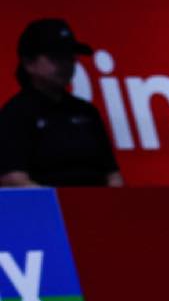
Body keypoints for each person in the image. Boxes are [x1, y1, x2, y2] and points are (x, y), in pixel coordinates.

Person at [0, 18, 122, 187]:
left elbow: (113, 175)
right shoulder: (15, 114)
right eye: (56, 57)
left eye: (70, 57)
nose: (66, 65)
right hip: (45, 202)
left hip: (96, 202)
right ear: (29, 64)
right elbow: (14, 179)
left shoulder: (87, 112)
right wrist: (61, 201)